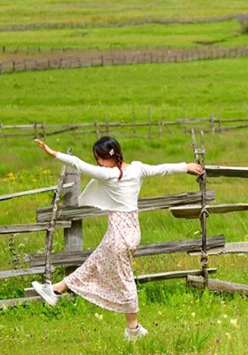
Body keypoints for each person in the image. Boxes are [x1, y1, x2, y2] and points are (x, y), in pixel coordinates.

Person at [32, 136, 204, 340]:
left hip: (118, 236)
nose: (97, 162)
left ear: (105, 157)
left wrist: (53, 153)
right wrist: (186, 166)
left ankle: (133, 329)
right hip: (130, 232)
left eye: (98, 158)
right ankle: (55, 290)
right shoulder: (137, 169)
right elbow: (162, 168)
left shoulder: (108, 174)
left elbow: (78, 163)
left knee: (125, 281)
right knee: (93, 263)